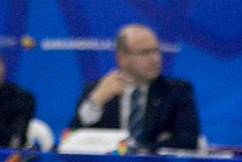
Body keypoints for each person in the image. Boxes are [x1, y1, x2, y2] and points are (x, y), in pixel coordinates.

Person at [69, 23, 199, 151]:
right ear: (122, 58)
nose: (156, 59)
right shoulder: (98, 89)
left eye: (156, 51)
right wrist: (95, 102)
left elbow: (188, 139)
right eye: (146, 53)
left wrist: (141, 151)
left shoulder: (176, 91)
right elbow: (73, 139)